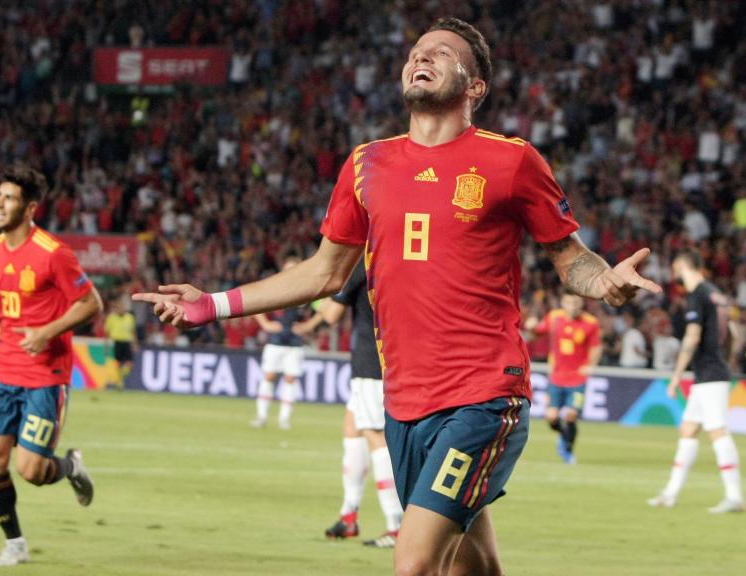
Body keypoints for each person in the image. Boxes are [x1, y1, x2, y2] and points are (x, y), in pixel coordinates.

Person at [133, 17, 659, 576]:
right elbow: (323, 273)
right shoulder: (366, 164)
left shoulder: (511, 161)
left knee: (413, 564)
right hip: (404, 401)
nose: (421, 58)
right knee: (470, 567)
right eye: (415, 52)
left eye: (441, 53)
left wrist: (602, 282)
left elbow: (569, 255)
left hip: (483, 393)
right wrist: (213, 303)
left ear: (475, 87)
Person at [0, 166, 101, 566]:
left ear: (29, 208)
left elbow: (90, 303)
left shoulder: (54, 253)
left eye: (9, 197)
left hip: (45, 375)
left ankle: (69, 466)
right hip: (2, 370)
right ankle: (15, 543)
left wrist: (47, 331)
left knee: (31, 469)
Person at [304, 260, 404, 547]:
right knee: (353, 428)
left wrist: (315, 302)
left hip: (371, 361)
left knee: (374, 435)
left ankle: (395, 525)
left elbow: (332, 314)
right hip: (390, 354)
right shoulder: (393, 259)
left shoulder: (362, 262)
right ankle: (349, 515)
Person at [648, 249, 745, 513]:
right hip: (711, 371)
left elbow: (692, 336)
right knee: (689, 430)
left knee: (717, 431)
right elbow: (735, 333)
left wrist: (677, 375)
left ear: (681, 264)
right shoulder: (716, 294)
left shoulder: (697, 295)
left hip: (710, 374)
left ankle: (735, 496)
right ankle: (671, 492)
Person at [525, 293, 601, 464]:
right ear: (563, 302)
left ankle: (567, 449)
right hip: (556, 377)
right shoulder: (554, 317)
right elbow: (537, 333)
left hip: (578, 378)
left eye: (576, 302)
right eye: (569, 302)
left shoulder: (590, 322)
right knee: (551, 416)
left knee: (571, 415)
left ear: (581, 303)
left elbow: (596, 347)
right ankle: (564, 434)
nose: (572, 306)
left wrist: (591, 365)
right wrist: (531, 327)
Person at [250, 257, 314, 429]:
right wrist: (265, 324)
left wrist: (307, 326)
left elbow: (321, 309)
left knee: (290, 379)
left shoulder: (308, 289)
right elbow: (254, 301)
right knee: (269, 376)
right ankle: (261, 416)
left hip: (295, 343)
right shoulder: (275, 286)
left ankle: (284, 419)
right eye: (288, 268)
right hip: (276, 341)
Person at [104, 294, 138, 390]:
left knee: (129, 364)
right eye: (120, 306)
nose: (122, 308)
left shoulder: (130, 317)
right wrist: (106, 344)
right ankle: (120, 383)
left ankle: (120, 379)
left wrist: (134, 343)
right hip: (116, 342)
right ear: (117, 308)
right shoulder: (111, 317)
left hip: (127, 342)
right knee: (117, 364)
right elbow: (107, 332)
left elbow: (133, 331)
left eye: (123, 306)